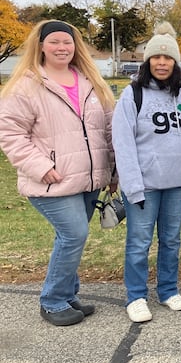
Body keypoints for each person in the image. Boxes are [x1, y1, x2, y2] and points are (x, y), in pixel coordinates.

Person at [0, 20, 115, 326]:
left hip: (90, 179)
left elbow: (108, 127)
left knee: (70, 238)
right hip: (53, 180)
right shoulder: (26, 85)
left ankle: (67, 295)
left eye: (68, 42)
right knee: (74, 234)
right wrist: (41, 167)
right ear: (40, 46)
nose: (62, 48)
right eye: (55, 42)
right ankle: (52, 301)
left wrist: (114, 169)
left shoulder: (90, 80)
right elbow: (11, 135)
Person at [112, 23, 181, 322]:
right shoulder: (132, 95)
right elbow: (122, 143)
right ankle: (135, 296)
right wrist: (132, 185)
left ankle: (168, 290)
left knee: (171, 240)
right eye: (156, 58)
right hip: (144, 184)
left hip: (177, 183)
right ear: (147, 62)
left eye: (168, 58)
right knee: (139, 241)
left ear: (176, 62)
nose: (162, 63)